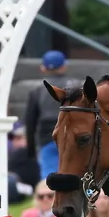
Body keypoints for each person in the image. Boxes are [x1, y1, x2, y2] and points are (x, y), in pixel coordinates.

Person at [25, 51, 69, 181]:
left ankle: (49, 198)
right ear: (63, 66)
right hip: (73, 137)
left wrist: (30, 149)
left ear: (43, 68)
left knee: (49, 178)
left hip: (46, 138)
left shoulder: (37, 90)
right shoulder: (76, 85)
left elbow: (30, 121)